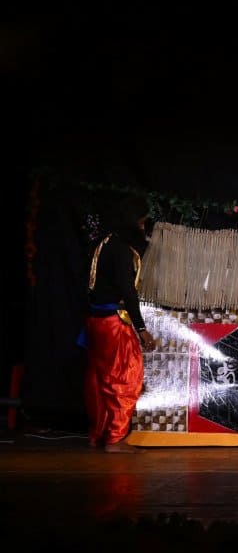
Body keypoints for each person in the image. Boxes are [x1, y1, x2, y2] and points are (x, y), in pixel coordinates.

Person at [83, 193, 157, 453]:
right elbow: (128, 290)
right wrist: (141, 329)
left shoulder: (101, 243)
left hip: (95, 320)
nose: (142, 227)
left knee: (100, 380)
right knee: (125, 378)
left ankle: (99, 434)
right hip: (112, 323)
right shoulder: (120, 249)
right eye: (141, 221)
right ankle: (115, 438)